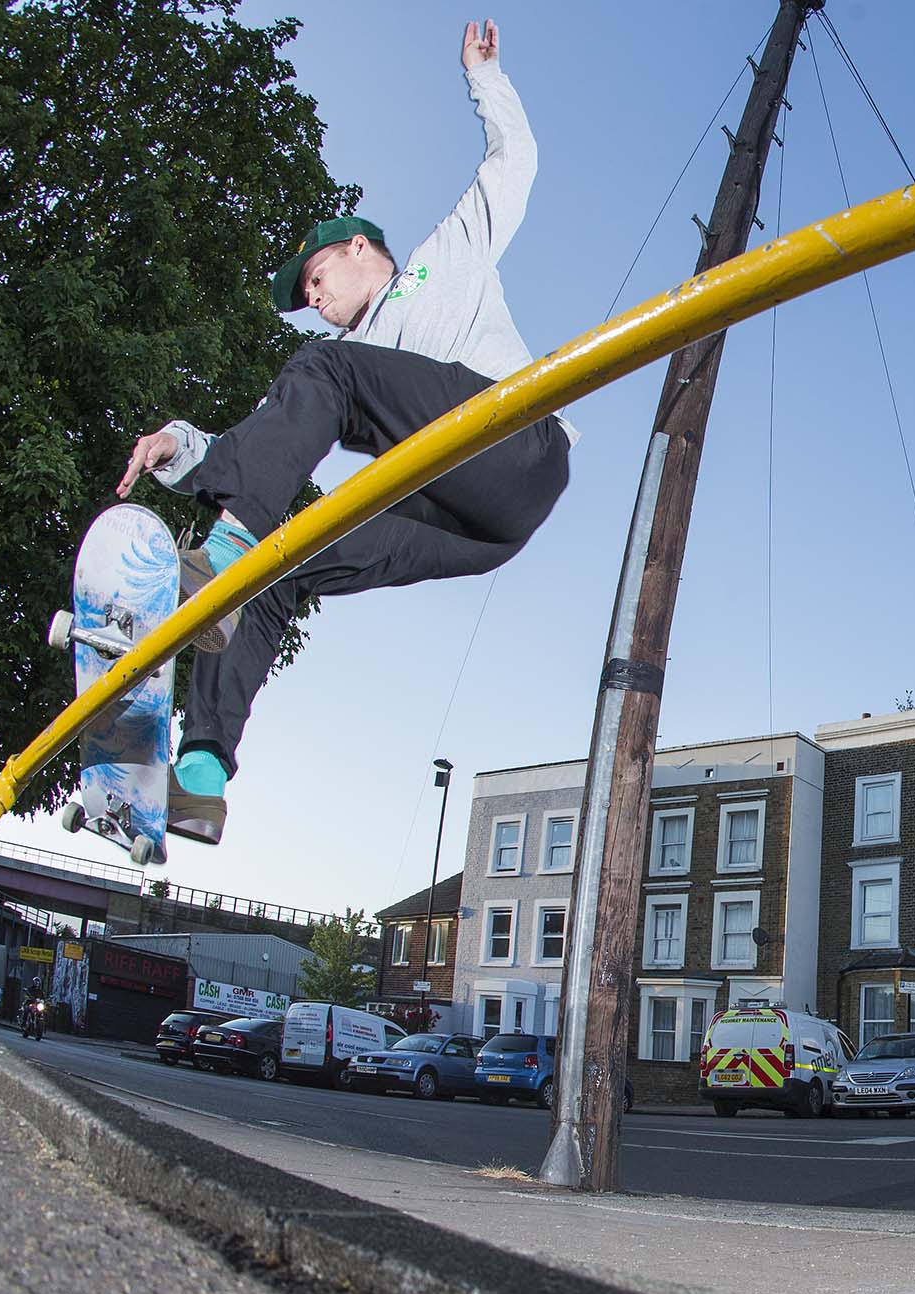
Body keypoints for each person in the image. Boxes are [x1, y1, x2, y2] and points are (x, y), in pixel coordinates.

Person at [115, 19, 573, 846]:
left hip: (521, 450)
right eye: (309, 296)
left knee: (323, 369)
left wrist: (485, 77)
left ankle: (218, 561)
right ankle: (202, 774)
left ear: (360, 249)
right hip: (464, 524)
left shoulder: (449, 254)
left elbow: (517, 163)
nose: (318, 300)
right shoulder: (341, 360)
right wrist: (179, 446)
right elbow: (261, 447)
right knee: (272, 563)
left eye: (320, 279)